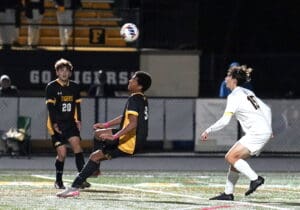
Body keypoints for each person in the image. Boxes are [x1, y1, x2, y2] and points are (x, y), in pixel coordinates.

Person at [56, 70, 152, 198]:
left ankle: (74, 187)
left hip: (130, 141)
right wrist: (106, 125)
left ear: (139, 86)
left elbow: (133, 123)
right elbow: (125, 118)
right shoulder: (141, 98)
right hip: (134, 136)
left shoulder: (134, 99)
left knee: (94, 157)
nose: (130, 80)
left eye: (133, 79)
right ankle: (95, 169)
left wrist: (114, 136)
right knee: (98, 134)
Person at [200, 65, 272, 201]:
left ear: (233, 79)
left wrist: (208, 130)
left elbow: (225, 120)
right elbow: (266, 110)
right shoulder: (246, 92)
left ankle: (255, 179)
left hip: (257, 132)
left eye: (227, 76)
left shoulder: (234, 96)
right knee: (234, 160)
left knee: (230, 157)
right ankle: (228, 193)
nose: (225, 79)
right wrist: (269, 128)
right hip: (261, 131)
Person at [45, 58, 90, 189]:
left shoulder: (75, 87)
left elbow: (77, 106)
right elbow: (51, 108)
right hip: (56, 124)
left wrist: (78, 120)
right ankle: (58, 181)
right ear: (57, 72)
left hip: (70, 123)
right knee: (62, 153)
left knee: (77, 146)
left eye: (67, 70)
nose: (64, 73)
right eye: (61, 70)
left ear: (70, 73)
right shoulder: (51, 87)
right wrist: (54, 124)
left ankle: (81, 179)